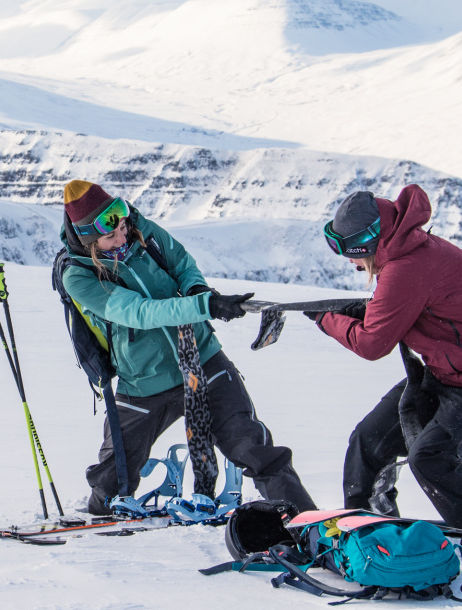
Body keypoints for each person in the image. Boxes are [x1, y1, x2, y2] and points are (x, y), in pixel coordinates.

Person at [59, 179, 317, 516]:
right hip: (144, 381)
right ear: (88, 241)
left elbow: (182, 264)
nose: (123, 237)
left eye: (122, 226)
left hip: (203, 359)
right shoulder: (78, 277)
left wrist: (199, 291)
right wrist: (205, 306)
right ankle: (97, 520)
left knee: (253, 448)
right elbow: (140, 312)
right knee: (112, 479)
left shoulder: (142, 231)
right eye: (111, 236)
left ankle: (309, 521)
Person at [307, 184, 462, 540]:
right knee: (369, 441)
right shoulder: (408, 251)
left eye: (346, 250)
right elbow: (411, 308)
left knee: (431, 460)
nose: (348, 261)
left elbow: (371, 344)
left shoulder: (406, 267)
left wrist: (326, 320)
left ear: (364, 244)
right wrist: (362, 311)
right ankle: (368, 534)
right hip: (448, 375)